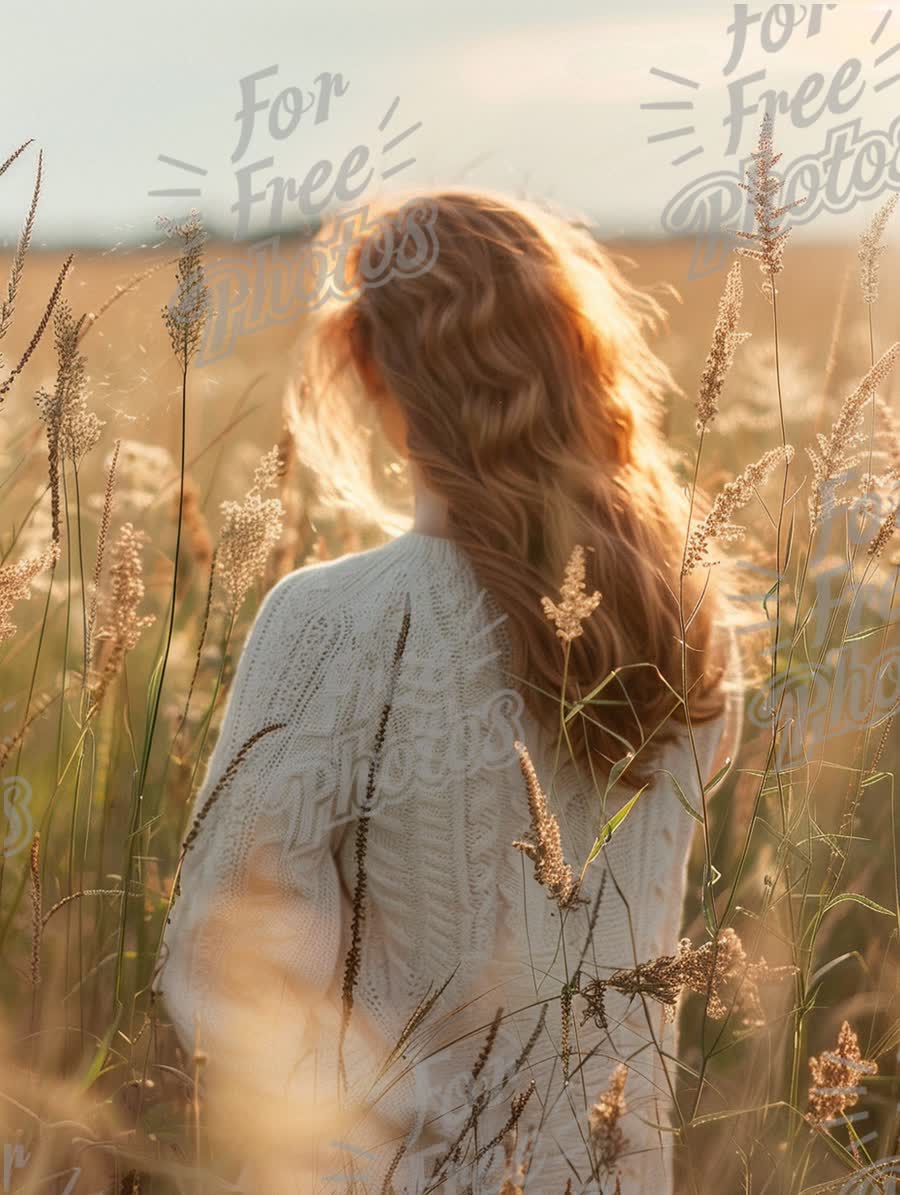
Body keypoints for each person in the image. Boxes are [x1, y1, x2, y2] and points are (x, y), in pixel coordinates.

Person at [155, 189, 744, 1194]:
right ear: (577, 362)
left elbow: (225, 973)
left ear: (374, 367)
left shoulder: (330, 621)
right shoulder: (688, 619)